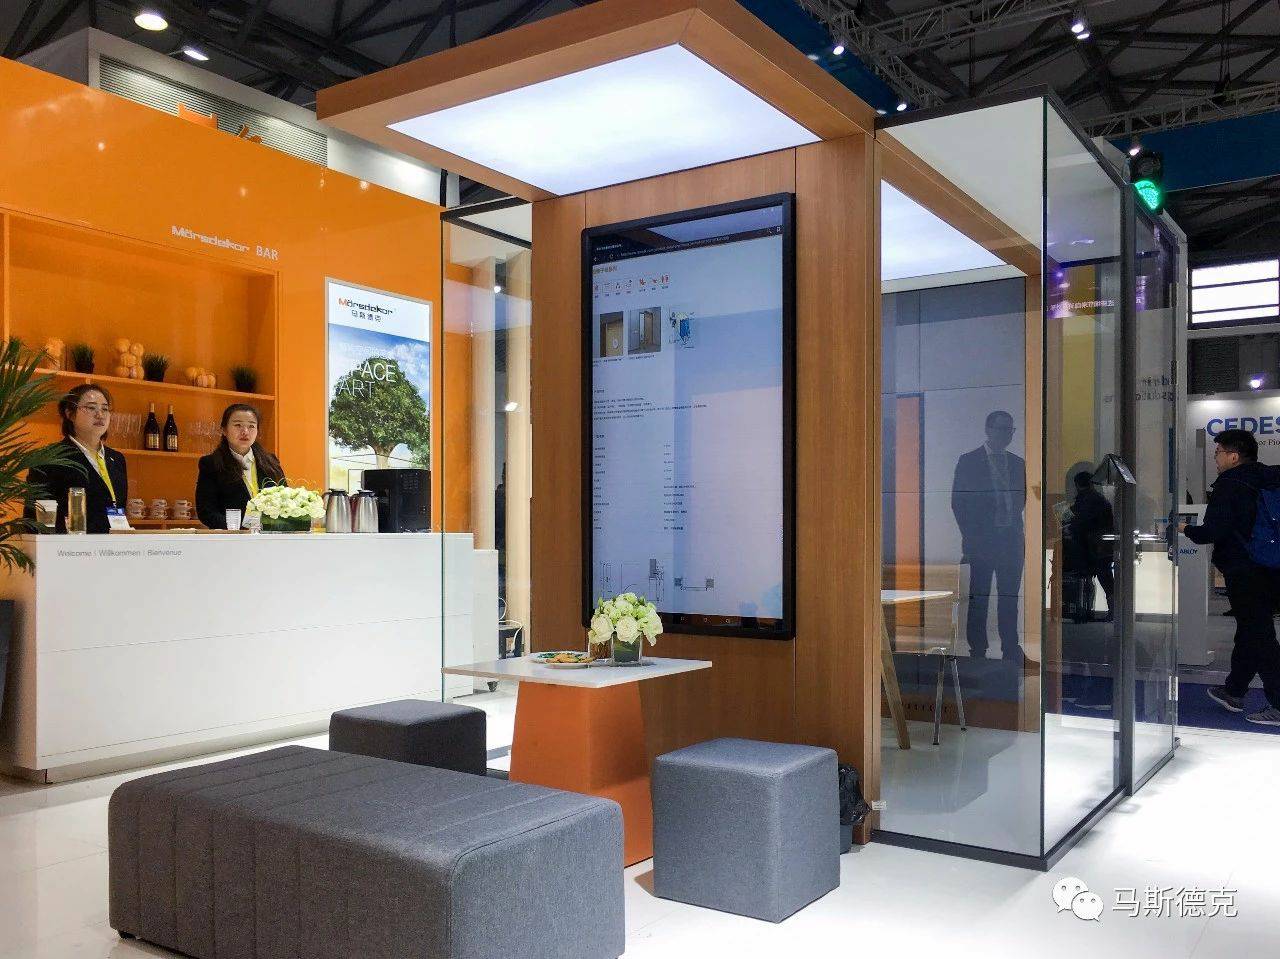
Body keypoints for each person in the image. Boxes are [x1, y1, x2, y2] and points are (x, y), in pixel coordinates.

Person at [1182, 428, 1280, 726]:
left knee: (1260, 636)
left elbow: (1214, 530)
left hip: (1244, 569)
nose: (1216, 459)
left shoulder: (1230, 484)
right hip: (1271, 565)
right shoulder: (1269, 477)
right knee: (1251, 630)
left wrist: (1186, 530)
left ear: (1233, 456)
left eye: (1218, 453)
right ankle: (1234, 690)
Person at [951, 410, 1026, 661]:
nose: (1006, 435)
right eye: (1002, 429)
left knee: (1009, 597)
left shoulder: (1017, 463)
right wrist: (972, 537)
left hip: (1011, 540)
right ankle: (978, 649)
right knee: (979, 596)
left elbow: (1021, 500)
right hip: (981, 542)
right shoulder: (969, 461)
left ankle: (1010, 647)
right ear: (988, 429)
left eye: (1010, 430)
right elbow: (958, 503)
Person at [26, 384, 127, 534]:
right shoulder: (49, 458)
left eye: (105, 409)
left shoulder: (117, 459)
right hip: (69, 546)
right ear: (70, 414)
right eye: (91, 408)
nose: (100, 415)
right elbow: (32, 519)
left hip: (114, 545)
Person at [196, 403, 285, 529]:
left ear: (258, 431)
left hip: (270, 535)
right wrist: (241, 528)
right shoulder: (211, 464)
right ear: (224, 430)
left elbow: (286, 501)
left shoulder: (271, 461)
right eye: (238, 425)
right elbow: (206, 512)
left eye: (251, 426)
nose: (245, 431)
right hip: (232, 537)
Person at [1065, 470, 1116, 620]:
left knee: (1103, 577)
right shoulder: (1097, 499)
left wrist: (1068, 526)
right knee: (1105, 577)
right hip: (1101, 545)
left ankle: (1108, 611)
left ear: (1077, 485)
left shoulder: (1087, 500)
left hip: (1093, 546)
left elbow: (1081, 522)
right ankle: (1112, 610)